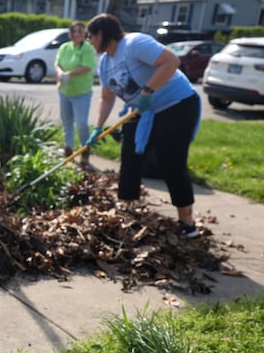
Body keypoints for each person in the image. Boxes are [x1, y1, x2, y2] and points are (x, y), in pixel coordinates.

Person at [84, 13, 202, 237]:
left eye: (90, 37)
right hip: (145, 110)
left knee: (171, 160)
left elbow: (171, 61)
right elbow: (107, 98)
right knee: (130, 155)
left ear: (101, 33)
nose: (89, 42)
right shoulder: (105, 62)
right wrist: (98, 128)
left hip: (177, 104)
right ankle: (127, 207)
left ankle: (187, 222)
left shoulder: (134, 43)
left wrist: (148, 90)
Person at [55, 21, 97, 165]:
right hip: (64, 90)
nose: (76, 34)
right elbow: (58, 64)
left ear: (84, 33)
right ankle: (68, 149)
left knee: (81, 124)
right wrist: (61, 73)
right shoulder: (64, 47)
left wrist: (70, 74)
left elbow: (87, 66)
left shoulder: (87, 48)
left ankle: (85, 150)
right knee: (67, 122)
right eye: (73, 31)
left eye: (79, 31)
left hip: (81, 92)